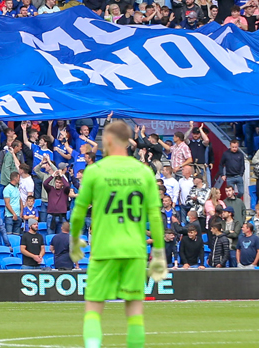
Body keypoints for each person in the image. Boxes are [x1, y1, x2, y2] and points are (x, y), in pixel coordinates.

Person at [67, 120, 166, 348]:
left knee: (93, 308)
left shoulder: (95, 171)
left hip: (103, 249)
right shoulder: (143, 172)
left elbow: (79, 210)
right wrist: (159, 252)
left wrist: (74, 239)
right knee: (134, 312)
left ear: (109, 140)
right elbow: (154, 215)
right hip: (134, 250)